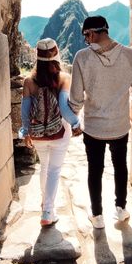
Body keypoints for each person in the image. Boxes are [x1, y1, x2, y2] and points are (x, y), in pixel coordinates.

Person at [69, 16, 132, 229]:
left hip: (94, 128)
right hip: (120, 127)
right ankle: (121, 209)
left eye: (85, 36)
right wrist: (129, 117)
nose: (85, 41)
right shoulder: (131, 56)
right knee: (121, 167)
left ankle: (97, 216)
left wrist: (72, 120)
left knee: (95, 170)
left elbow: (76, 99)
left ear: (91, 33)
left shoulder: (82, 58)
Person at [19, 38, 81, 227]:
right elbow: (63, 107)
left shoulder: (29, 81)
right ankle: (47, 211)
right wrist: (76, 122)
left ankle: (45, 202)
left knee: (44, 166)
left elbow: (25, 110)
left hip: (38, 133)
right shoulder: (63, 78)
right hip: (59, 132)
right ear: (56, 55)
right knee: (54, 170)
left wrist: (26, 131)